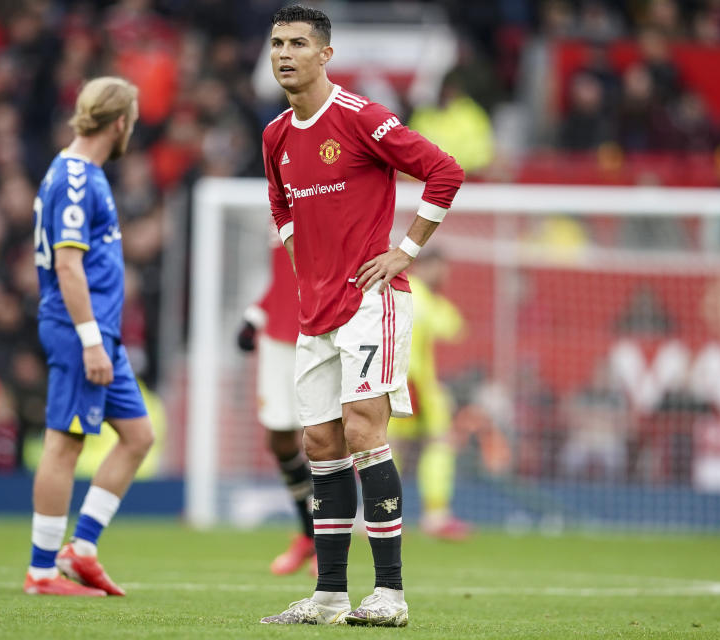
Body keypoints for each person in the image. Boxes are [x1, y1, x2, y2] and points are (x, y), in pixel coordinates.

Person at [258, 5, 464, 627]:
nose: (283, 54)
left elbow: (444, 171)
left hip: (370, 303)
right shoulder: (274, 136)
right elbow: (280, 204)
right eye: (276, 44)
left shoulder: (359, 116)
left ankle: (392, 595)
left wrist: (404, 251)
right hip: (314, 309)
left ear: (325, 54)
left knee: (362, 431)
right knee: (319, 442)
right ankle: (327, 596)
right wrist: (304, 260)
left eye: (297, 43)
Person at [23, 76, 154, 597]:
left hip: (99, 331)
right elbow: (68, 266)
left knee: (139, 436)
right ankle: (41, 571)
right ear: (120, 122)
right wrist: (91, 340)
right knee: (65, 443)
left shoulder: (79, 173)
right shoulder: (76, 178)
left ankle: (82, 548)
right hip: (83, 331)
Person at [237, 234, 315, 576]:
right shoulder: (279, 201)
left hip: (317, 332)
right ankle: (309, 534)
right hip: (277, 339)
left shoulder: (325, 189)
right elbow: (284, 276)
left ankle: (331, 542)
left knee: (323, 438)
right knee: (280, 440)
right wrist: (255, 316)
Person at [386, 250, 472, 541]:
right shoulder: (417, 296)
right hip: (413, 385)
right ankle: (434, 515)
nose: (445, 275)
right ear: (426, 266)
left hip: (407, 383)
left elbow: (455, 327)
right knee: (434, 443)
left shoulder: (416, 295)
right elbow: (451, 328)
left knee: (390, 448)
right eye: (441, 268)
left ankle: (378, 513)